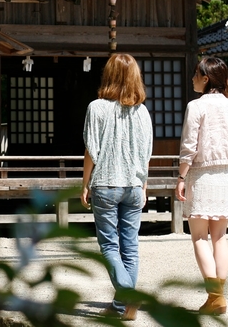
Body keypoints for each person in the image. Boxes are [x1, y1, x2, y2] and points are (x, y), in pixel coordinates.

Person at [81, 53, 153, 321]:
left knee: (110, 246)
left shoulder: (97, 107)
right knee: (130, 246)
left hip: (106, 183)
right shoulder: (142, 111)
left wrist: (85, 183)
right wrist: (144, 186)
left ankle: (127, 297)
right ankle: (123, 306)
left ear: (108, 75)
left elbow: (91, 150)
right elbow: (146, 153)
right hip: (134, 185)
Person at [175, 56, 228, 316]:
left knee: (199, 237)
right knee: (220, 237)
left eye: (195, 74)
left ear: (205, 78)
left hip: (201, 175)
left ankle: (215, 297)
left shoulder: (196, 106)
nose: (192, 78)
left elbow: (189, 146)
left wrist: (181, 178)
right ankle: (219, 297)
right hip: (226, 175)